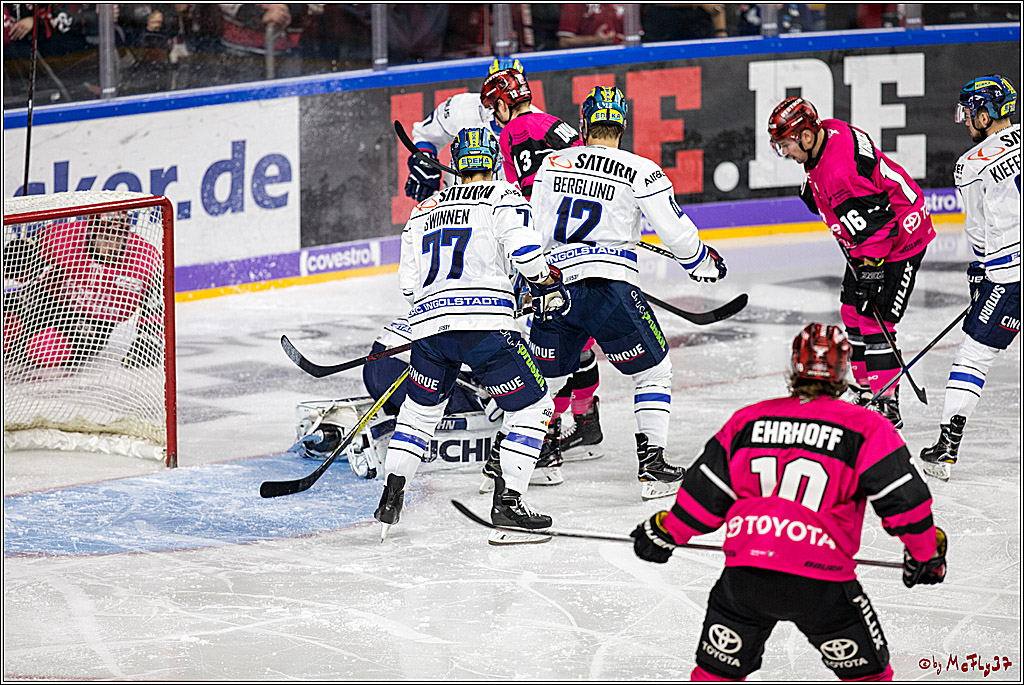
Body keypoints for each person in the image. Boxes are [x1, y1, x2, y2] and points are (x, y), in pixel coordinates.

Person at [630, 323, 948, 681]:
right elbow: (905, 503)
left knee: (713, 676)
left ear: (795, 365)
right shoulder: (867, 427)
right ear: (843, 368)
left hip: (746, 581)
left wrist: (664, 532)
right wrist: (926, 554)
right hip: (822, 586)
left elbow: (704, 497)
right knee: (870, 677)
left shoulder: (747, 420)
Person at [527, 86, 728, 500]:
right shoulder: (641, 169)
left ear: (584, 124)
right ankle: (652, 467)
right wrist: (701, 263)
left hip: (555, 285)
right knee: (653, 371)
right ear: (622, 127)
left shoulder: (550, 164)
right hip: (609, 289)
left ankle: (540, 459)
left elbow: (535, 229)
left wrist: (527, 279)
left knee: (548, 380)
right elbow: (675, 232)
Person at [374, 127, 568, 544]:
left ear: (459, 163)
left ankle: (392, 494)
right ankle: (508, 502)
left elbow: (408, 284)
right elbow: (527, 252)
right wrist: (544, 285)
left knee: (418, 415)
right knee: (534, 408)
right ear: (493, 160)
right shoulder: (504, 196)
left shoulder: (424, 208)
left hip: (429, 329)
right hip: (486, 329)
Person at [769, 96, 936, 429]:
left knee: (876, 322)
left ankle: (886, 405)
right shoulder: (828, 131)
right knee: (852, 313)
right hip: (871, 239)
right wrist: (814, 189)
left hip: (899, 240)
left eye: (785, 144)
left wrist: (873, 271)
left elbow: (880, 221)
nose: (784, 152)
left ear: (804, 136)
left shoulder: (838, 172)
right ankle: (864, 393)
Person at [476, 62, 607, 476]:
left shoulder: (514, 133)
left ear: (502, 101)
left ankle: (544, 436)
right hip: (583, 238)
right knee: (579, 337)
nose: (493, 115)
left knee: (543, 343)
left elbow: (523, 197)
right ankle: (586, 420)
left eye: (492, 105)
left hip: (549, 246)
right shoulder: (555, 123)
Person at [920, 74, 1020, 481]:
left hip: (1010, 274)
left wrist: (979, 274)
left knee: (975, 355)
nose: (964, 120)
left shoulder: (972, 164)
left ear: (985, 111)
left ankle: (946, 448)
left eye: (969, 111)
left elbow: (978, 232)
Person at [3, 210, 162, 372]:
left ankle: (21, 346)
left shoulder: (146, 260)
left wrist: (150, 339)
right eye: (106, 239)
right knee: (6, 332)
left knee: (44, 350)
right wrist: (17, 259)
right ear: (92, 234)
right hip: (43, 298)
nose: (112, 247)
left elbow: (156, 307)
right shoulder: (63, 236)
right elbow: (19, 271)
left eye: (119, 238)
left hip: (91, 323)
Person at [557, 4, 626, 48]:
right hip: (592, 64)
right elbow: (564, 41)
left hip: (626, 58)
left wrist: (629, 38)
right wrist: (595, 39)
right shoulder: (573, 5)